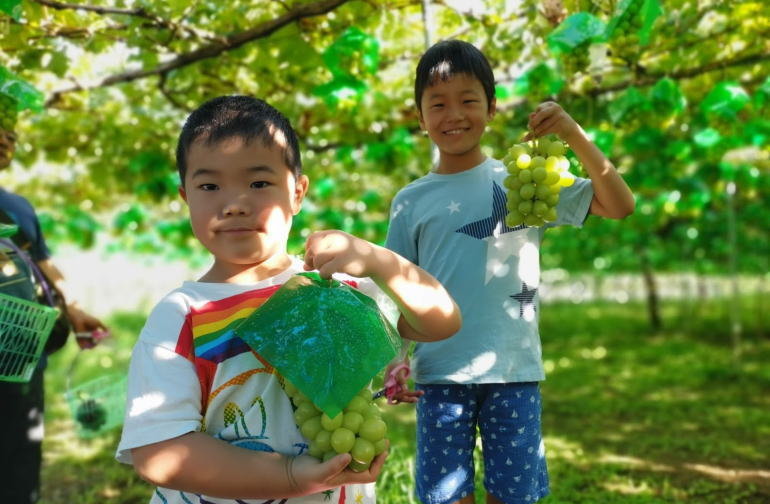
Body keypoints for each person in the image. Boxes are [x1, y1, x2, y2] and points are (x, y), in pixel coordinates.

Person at [115, 95, 461, 504]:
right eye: (209, 185)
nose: (234, 204)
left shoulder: (332, 289)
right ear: (186, 196)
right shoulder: (184, 316)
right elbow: (159, 453)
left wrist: (380, 261)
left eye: (259, 183)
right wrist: (289, 477)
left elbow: (440, 321)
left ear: (297, 192)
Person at [384, 40, 635, 504]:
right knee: (445, 496)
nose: (453, 114)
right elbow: (399, 289)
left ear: (492, 108)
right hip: (439, 373)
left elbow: (620, 205)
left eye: (468, 100)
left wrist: (572, 134)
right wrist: (396, 356)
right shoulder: (410, 201)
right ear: (419, 117)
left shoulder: (522, 181)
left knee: (514, 495)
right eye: (437, 104)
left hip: (514, 370)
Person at [0, 124, 109, 503]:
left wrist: (74, 309)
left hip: (22, 355)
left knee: (19, 458)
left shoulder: (18, 206)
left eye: (10, 136)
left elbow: (44, 263)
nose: (3, 141)